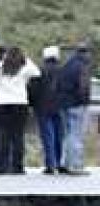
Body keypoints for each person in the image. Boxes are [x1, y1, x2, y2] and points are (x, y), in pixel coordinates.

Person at [0, 47, 41, 174]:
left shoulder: (2, 65)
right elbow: (37, 72)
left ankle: (2, 167)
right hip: (20, 103)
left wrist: (0, 94)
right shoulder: (24, 65)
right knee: (18, 136)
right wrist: (27, 59)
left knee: (4, 136)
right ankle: (17, 167)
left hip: (4, 103)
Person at [55, 43, 93, 174]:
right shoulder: (82, 66)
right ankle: (76, 165)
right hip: (77, 105)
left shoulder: (66, 66)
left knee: (67, 134)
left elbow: (57, 84)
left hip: (63, 105)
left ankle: (64, 163)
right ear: (85, 54)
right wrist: (85, 102)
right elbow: (83, 87)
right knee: (76, 135)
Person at [35, 46, 66, 174]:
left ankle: (50, 164)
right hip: (59, 106)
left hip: (43, 107)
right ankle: (59, 162)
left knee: (48, 136)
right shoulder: (63, 71)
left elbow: (33, 89)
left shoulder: (39, 71)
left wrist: (33, 104)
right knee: (59, 135)